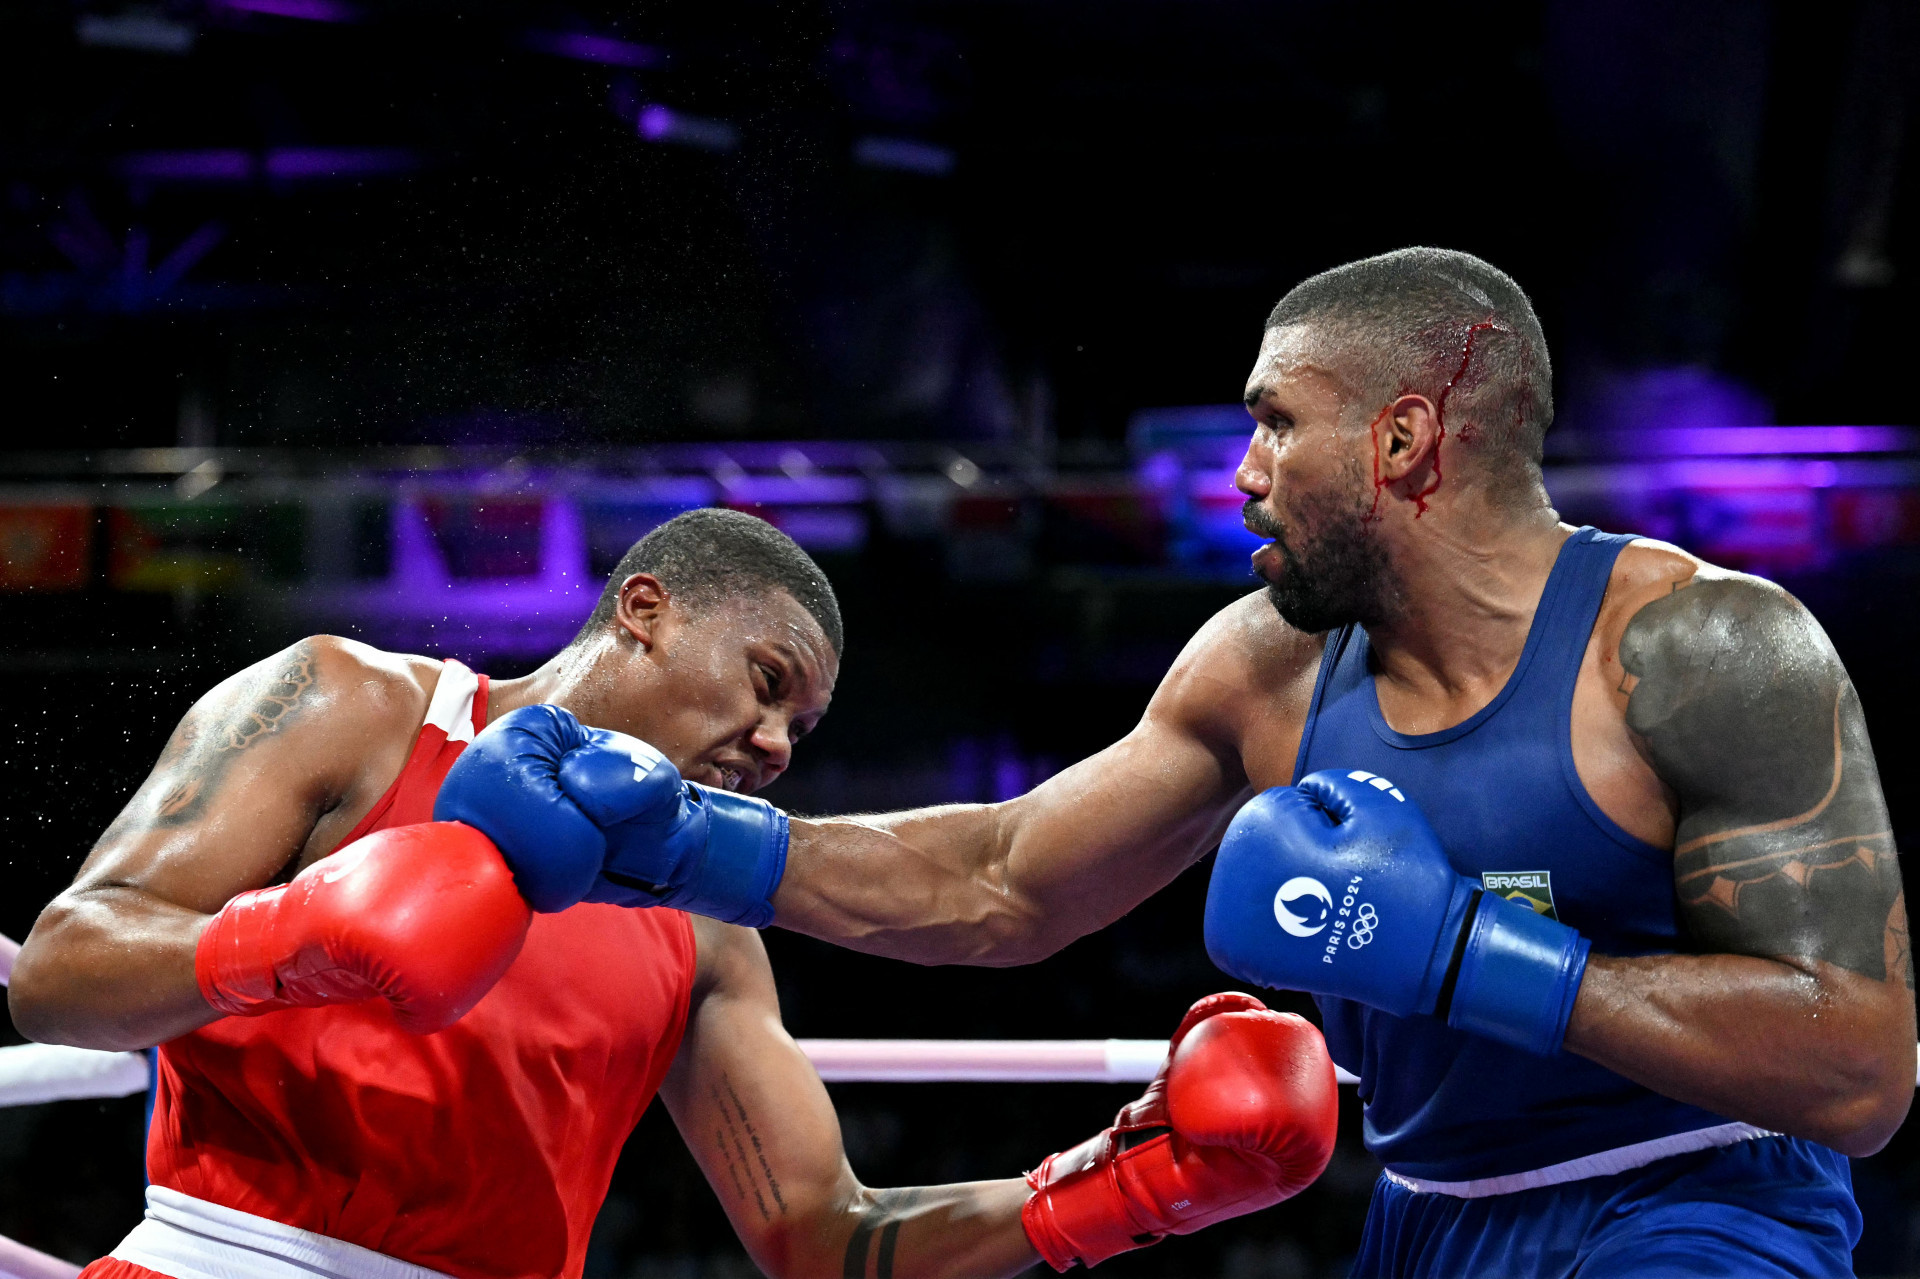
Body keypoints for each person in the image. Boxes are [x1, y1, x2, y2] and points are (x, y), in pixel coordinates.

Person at [452, 252, 1914, 1276]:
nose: (1243, 471)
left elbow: (1858, 1072)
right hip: (1427, 1216)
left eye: (1278, 420)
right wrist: (680, 842)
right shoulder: (1266, 663)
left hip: (1700, 1206)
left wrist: (1474, 953)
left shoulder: (1701, 648)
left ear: (1405, 438)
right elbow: (1004, 882)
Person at [7, 509, 1341, 1279]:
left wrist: (1124, 1190)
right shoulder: (349, 706)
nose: (775, 747)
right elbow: (64, 971)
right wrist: (298, 938)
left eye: (802, 732)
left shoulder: (707, 923)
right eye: (766, 685)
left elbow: (826, 1242)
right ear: (641, 609)